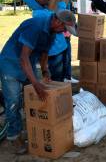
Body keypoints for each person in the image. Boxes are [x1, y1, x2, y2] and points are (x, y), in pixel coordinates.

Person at [0, 10, 77, 153]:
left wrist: (45, 71)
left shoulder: (52, 32)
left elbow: (44, 54)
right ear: (58, 22)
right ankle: (14, 136)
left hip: (27, 65)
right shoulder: (35, 26)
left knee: (29, 99)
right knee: (14, 102)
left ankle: (33, 127)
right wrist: (35, 83)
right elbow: (24, 58)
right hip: (11, 65)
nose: (65, 32)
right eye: (65, 28)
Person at [20, 0, 71, 82]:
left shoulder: (46, 8)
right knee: (57, 77)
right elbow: (61, 15)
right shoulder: (39, 14)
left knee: (61, 75)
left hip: (61, 47)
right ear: (32, 2)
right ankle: (56, 94)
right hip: (53, 51)